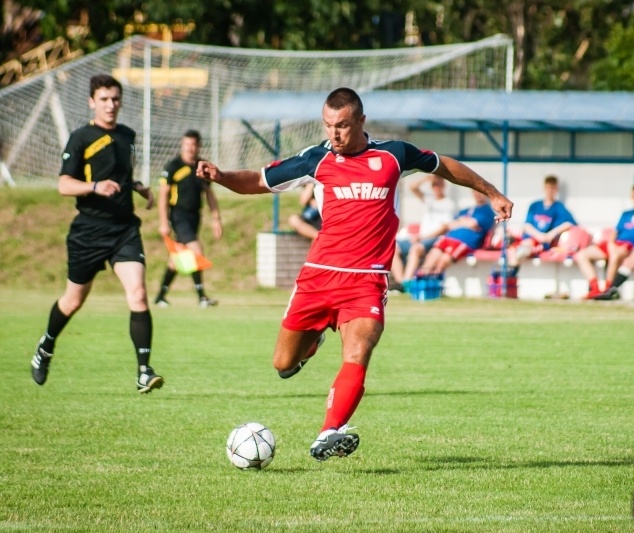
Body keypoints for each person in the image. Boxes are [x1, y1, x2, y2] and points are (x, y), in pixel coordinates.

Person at [196, 87, 513, 461]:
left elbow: (443, 164)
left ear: (361, 121)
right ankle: (311, 344)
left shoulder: (394, 155)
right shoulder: (316, 160)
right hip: (318, 277)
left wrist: (490, 192)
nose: (334, 134)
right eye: (329, 125)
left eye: (343, 126)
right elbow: (259, 181)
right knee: (282, 363)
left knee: (359, 349)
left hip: (367, 279)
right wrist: (220, 175)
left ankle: (329, 431)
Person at [29, 74, 163, 394]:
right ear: (92, 101)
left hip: (124, 229)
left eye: (115, 99)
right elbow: (64, 185)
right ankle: (46, 347)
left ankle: (144, 371)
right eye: (104, 99)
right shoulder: (80, 138)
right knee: (74, 300)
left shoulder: (127, 136)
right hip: (88, 230)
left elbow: (121, 174)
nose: (110, 105)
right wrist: (94, 187)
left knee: (139, 293)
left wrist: (139, 188)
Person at [154, 130, 223, 308]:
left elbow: (209, 194)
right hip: (178, 215)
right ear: (182, 144)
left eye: (193, 145)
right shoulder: (173, 166)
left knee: (177, 259)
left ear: (198, 146)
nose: (190, 148)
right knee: (196, 250)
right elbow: (163, 196)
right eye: (187, 144)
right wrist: (163, 222)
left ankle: (161, 296)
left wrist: (216, 218)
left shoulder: (202, 167)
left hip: (194, 217)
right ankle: (201, 297)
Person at [577, 183, 634, 299]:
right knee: (581, 255)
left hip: (630, 245)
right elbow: (615, 231)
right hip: (617, 243)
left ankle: (608, 288)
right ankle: (595, 287)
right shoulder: (626, 214)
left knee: (614, 254)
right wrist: (610, 243)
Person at [390, 174, 456, 290]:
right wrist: (426, 179)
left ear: (443, 186)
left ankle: (407, 282)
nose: (437, 187)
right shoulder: (429, 199)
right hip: (420, 238)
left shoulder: (449, 203)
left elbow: (444, 228)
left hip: (435, 239)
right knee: (393, 247)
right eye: (434, 185)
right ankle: (400, 283)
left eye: (439, 184)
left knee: (415, 249)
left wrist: (421, 237)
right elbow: (412, 187)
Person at [506, 175, 576, 277]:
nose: (550, 191)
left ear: (556, 189)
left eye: (552, 188)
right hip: (531, 238)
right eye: (548, 188)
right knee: (511, 246)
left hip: (543, 243)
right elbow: (527, 225)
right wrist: (537, 235)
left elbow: (570, 223)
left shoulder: (558, 207)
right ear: (544, 188)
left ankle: (511, 275)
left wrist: (552, 233)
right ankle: (510, 276)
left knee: (523, 248)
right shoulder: (535, 205)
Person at [415, 189, 497, 277]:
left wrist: (460, 221)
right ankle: (420, 282)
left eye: (480, 192)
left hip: (464, 242)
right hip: (449, 237)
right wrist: (464, 222)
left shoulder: (487, 212)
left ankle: (434, 284)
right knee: (432, 256)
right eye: (475, 191)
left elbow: (473, 223)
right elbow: (449, 225)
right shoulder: (466, 210)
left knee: (443, 262)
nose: (478, 194)